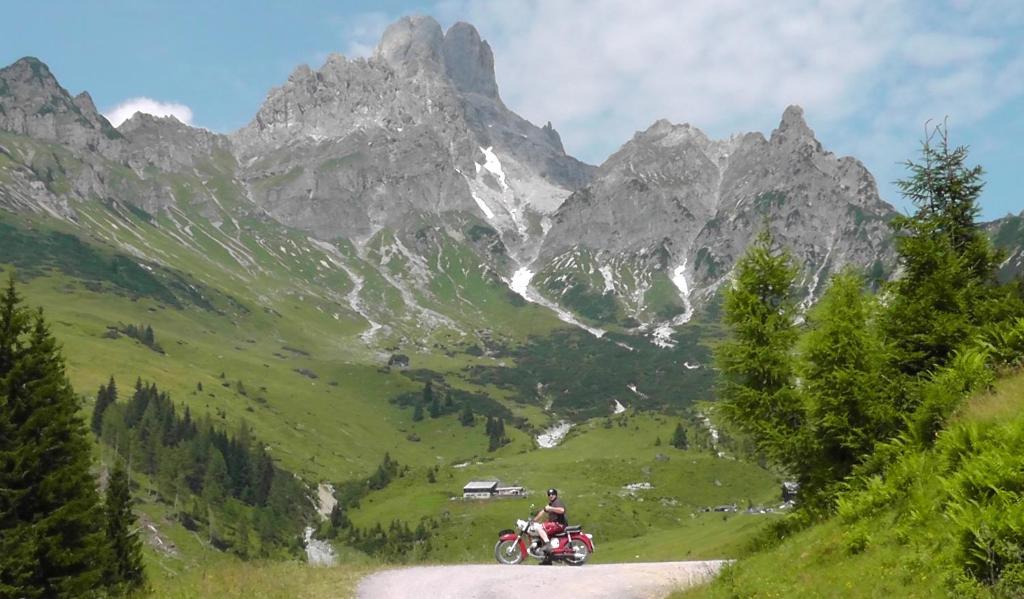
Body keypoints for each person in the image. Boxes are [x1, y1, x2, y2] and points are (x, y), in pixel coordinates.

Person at [531, 488, 568, 554]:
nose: (551, 495)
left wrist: (551, 508)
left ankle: (548, 545)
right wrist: (534, 520)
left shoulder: (557, 502)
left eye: (552, 494)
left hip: (559, 524)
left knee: (540, 527)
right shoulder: (551, 503)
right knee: (543, 533)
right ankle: (547, 557)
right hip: (555, 524)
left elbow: (562, 510)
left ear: (556, 495)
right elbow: (542, 511)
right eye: (549, 494)